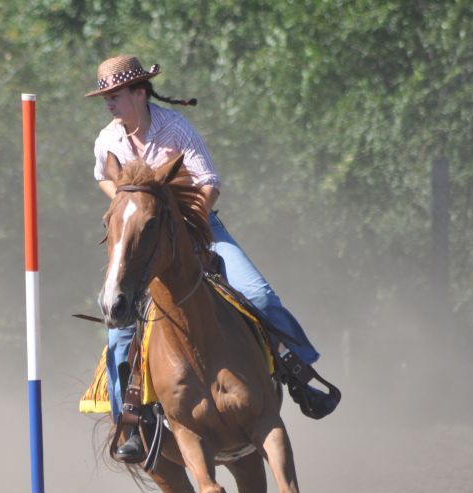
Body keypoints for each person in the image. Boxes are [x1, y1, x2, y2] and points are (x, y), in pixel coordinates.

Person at [88, 55, 338, 462]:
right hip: (139, 242)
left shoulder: (176, 128)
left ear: (139, 92)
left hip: (199, 228)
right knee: (117, 333)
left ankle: (299, 374)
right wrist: (124, 207)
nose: (109, 104)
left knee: (258, 294)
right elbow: (103, 173)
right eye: (106, 97)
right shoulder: (107, 140)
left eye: (115, 95)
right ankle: (128, 424)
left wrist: (190, 228)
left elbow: (209, 183)